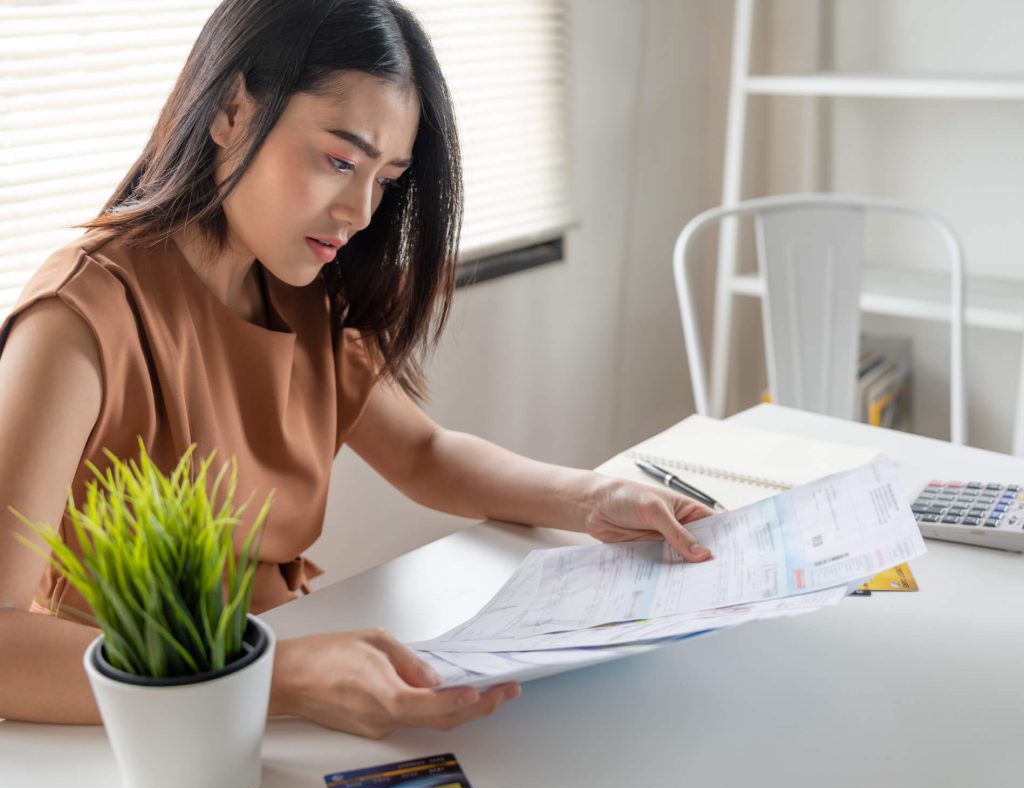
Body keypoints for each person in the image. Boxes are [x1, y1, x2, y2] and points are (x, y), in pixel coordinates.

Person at [0, 0, 712, 739]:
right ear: (232, 110)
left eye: (386, 178)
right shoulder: (78, 319)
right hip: (136, 732)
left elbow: (423, 452)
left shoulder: (298, 288)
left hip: (285, 697)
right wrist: (281, 676)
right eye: (339, 161)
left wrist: (596, 497)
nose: (361, 211)